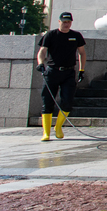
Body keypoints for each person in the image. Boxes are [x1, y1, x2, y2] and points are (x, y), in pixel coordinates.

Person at [36, 12, 86, 142]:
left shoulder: (76, 36)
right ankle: (46, 132)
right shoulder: (51, 35)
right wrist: (41, 64)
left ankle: (58, 127)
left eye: (68, 22)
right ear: (59, 22)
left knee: (67, 102)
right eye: (64, 22)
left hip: (69, 73)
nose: (66, 24)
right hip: (52, 71)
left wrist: (82, 70)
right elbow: (42, 51)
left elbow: (82, 53)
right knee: (47, 102)